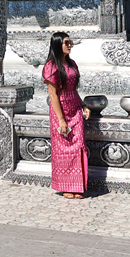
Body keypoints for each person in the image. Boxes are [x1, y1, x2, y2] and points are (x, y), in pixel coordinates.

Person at [42, 31, 90, 199]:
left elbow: (73, 90)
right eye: (67, 43)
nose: (70, 46)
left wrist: (83, 105)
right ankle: (65, 186)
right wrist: (61, 119)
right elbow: (53, 95)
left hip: (75, 108)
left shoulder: (72, 64)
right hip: (59, 111)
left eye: (71, 43)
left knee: (78, 147)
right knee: (63, 150)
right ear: (57, 44)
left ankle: (78, 185)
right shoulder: (51, 66)